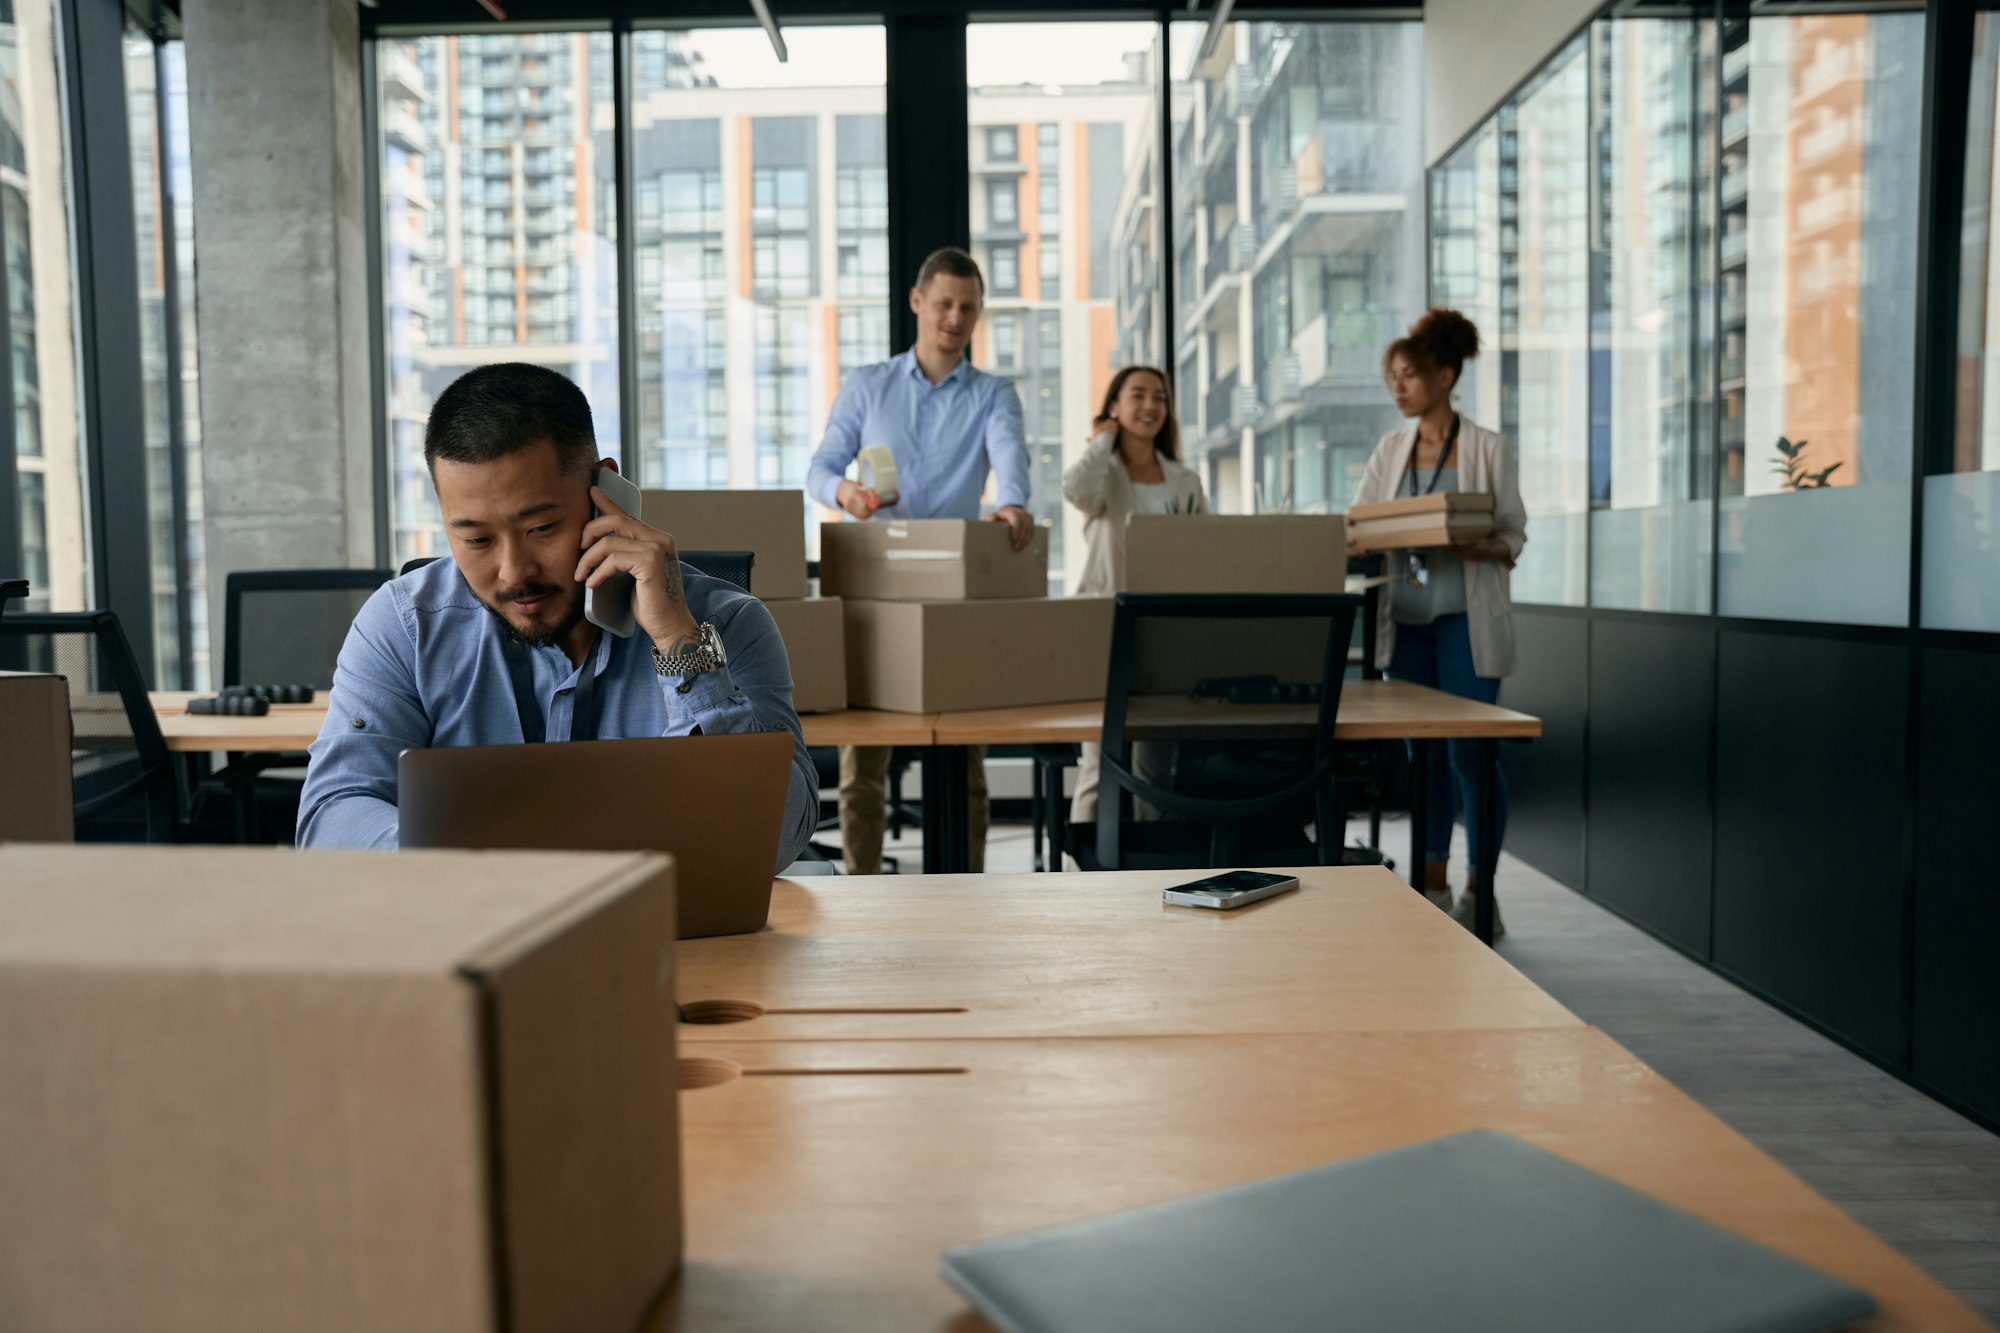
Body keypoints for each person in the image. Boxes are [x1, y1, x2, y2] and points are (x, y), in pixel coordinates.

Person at [297, 361, 818, 866]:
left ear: (605, 494)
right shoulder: (405, 624)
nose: (512, 572)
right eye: (475, 538)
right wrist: (458, 868)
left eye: (541, 528)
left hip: (672, 943)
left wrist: (679, 642)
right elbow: (332, 815)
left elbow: (778, 842)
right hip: (470, 931)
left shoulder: (724, 625)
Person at [807, 246, 1032, 874]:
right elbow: (820, 469)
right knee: (863, 766)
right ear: (917, 302)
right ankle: (859, 889)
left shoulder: (993, 394)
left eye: (967, 308)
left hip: (955, 591)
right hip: (877, 583)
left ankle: (969, 891)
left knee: (966, 762)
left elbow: (1010, 455)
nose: (954, 318)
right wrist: (845, 492)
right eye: (943, 304)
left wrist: (1012, 504)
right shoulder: (868, 386)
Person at [1350, 308, 1526, 934]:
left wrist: (1468, 541)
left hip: (1463, 621)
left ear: (1445, 376)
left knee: (1471, 757)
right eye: (1391, 377)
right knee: (1421, 756)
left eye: (1410, 376)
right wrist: (1365, 539)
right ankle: (1431, 885)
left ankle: (1483, 888)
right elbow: (1362, 525)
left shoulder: (1486, 448)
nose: (1398, 388)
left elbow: (1512, 535)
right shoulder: (1389, 451)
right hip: (1409, 622)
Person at [1062, 365, 1206, 825]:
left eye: (1159, 397)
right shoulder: (1102, 475)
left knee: (1155, 767)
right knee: (1096, 762)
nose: (1150, 406)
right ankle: (1079, 877)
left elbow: (1208, 548)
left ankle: (1153, 866)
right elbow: (1074, 490)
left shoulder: (1185, 480)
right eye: (1138, 396)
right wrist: (1102, 439)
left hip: (1168, 632)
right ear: (1115, 406)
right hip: (1104, 625)